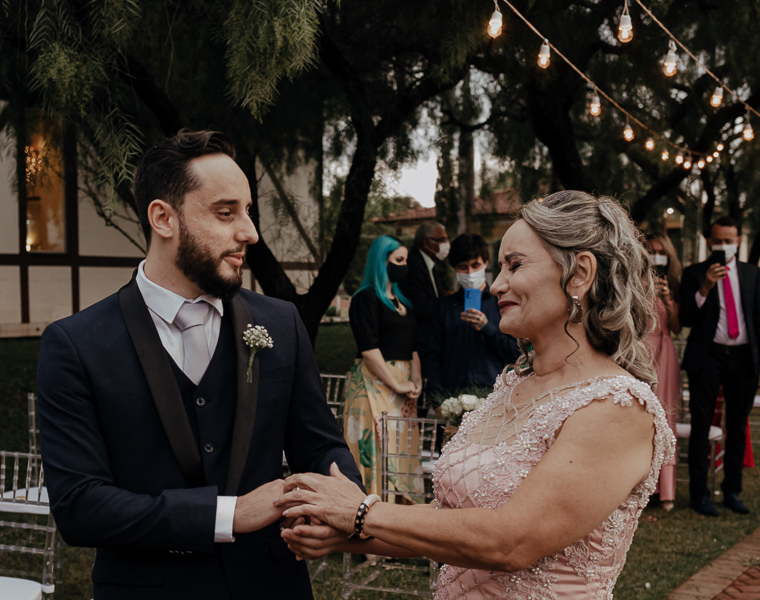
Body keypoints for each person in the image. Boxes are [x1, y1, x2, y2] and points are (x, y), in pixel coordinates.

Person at [278, 191, 676, 600]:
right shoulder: (512, 386)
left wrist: (363, 512)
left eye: (514, 265)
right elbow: (449, 522)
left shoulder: (617, 406)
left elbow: (511, 541)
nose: (495, 283)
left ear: (579, 274)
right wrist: (342, 533)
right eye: (498, 267)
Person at [36, 130, 361, 600]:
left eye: (248, 212)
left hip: (272, 586)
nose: (249, 232)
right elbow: (80, 506)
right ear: (163, 218)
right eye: (226, 213)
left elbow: (321, 445)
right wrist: (228, 514)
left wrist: (340, 505)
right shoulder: (75, 345)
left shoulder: (280, 322)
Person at [679, 216, 760, 517]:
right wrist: (705, 287)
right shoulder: (694, 273)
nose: (724, 246)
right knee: (701, 426)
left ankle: (732, 491)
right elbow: (685, 320)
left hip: (743, 358)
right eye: (718, 241)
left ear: (739, 241)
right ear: (709, 241)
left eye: (729, 241)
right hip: (708, 356)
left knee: (737, 426)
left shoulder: (750, 274)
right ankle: (699, 494)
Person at [344, 235, 422, 497]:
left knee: (401, 450)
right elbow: (369, 350)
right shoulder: (364, 299)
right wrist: (397, 383)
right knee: (374, 451)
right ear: (381, 261)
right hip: (373, 382)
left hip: (402, 385)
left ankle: (399, 514)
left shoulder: (404, 303)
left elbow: (413, 347)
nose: (404, 265)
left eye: (405, 260)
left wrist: (416, 380)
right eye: (398, 260)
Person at [423, 233, 520, 400]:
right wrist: (436, 398)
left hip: (493, 396)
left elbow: (516, 353)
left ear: (485, 263)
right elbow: (433, 356)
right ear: (455, 268)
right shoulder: (444, 307)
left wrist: (487, 328)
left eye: (475, 265)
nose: (470, 272)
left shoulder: (502, 303)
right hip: (452, 398)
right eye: (463, 267)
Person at [644, 232, 682, 511]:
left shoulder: (674, 284)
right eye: (651, 251)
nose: (656, 256)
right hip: (642, 352)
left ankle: (666, 490)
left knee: (666, 416)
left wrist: (668, 300)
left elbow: (679, 327)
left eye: (661, 251)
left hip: (665, 353)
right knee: (642, 418)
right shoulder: (635, 281)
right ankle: (643, 487)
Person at [399, 221, 451, 353]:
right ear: (427, 243)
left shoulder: (430, 264)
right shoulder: (413, 264)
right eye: (442, 240)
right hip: (419, 341)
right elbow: (419, 305)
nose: (446, 245)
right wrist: (446, 303)